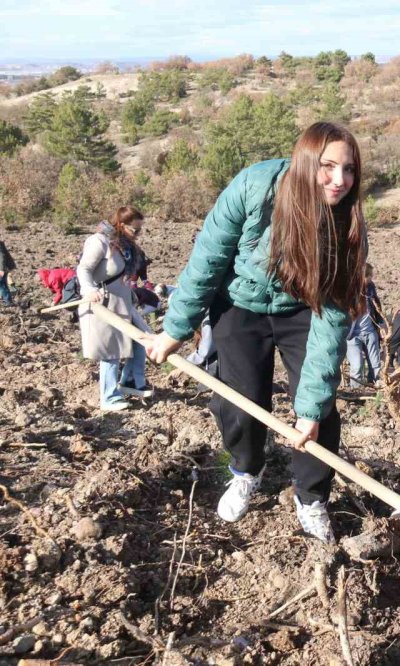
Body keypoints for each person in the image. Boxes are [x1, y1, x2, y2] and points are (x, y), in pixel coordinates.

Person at [144, 122, 367, 544]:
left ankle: (311, 496)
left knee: (320, 413)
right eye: (329, 167)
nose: (341, 181)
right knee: (238, 402)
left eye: (350, 169)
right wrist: (176, 327)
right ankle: (247, 470)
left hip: (305, 309)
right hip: (239, 305)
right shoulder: (255, 186)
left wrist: (310, 408)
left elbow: (333, 318)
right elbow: (208, 258)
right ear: (304, 163)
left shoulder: (347, 225)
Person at [76, 206, 154, 411]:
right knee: (110, 352)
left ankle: (129, 381)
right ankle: (108, 397)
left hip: (123, 302)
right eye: (135, 230)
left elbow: (124, 277)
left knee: (141, 339)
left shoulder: (126, 247)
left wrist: (135, 295)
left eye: (140, 230)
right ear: (121, 225)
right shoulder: (99, 241)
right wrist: (89, 289)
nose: (138, 235)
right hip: (102, 304)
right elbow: (83, 269)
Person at [345, 264, 385, 388]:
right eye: (369, 276)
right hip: (352, 334)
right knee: (356, 366)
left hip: (370, 331)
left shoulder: (370, 287)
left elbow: (377, 306)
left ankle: (374, 388)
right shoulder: (349, 291)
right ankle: (356, 392)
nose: (371, 279)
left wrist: (381, 325)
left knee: (375, 365)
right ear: (361, 277)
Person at [0, 240, 16, 305]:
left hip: (3, 268)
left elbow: (1, 257)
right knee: (3, 284)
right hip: (4, 267)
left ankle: (8, 301)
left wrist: (1, 269)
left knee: (1, 285)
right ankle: (8, 300)